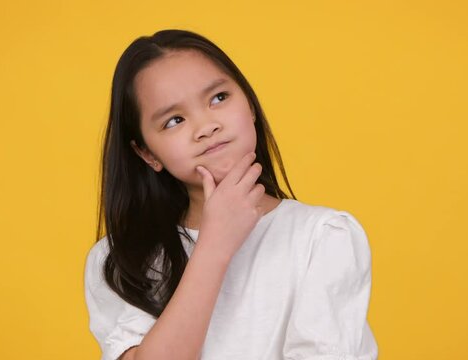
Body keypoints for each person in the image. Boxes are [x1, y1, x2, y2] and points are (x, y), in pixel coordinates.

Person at [84, 29, 378, 360]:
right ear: (147, 154)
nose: (207, 126)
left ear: (250, 104)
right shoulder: (119, 260)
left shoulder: (322, 236)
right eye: (174, 120)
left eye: (219, 98)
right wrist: (215, 246)